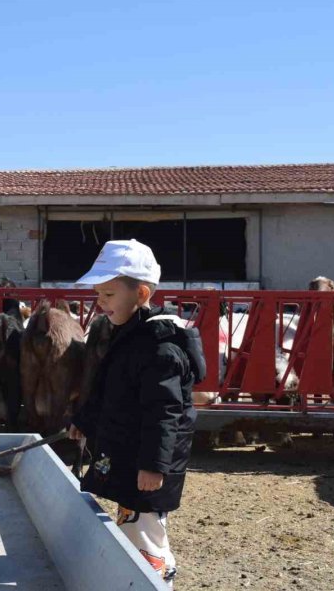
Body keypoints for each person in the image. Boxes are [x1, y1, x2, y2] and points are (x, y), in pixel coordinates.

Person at [68, 239, 204, 589]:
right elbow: (112, 393)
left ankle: (151, 582)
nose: (100, 302)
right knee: (140, 527)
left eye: (109, 294)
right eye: (99, 293)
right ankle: (158, 575)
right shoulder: (131, 338)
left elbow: (165, 412)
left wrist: (154, 465)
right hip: (131, 455)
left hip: (145, 463)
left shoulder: (160, 349)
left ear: (141, 294)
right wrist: (84, 422)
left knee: (143, 535)